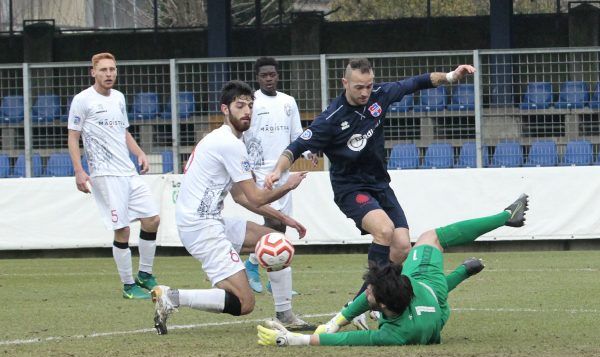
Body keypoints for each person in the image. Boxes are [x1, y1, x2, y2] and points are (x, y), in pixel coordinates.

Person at [266, 58, 477, 297]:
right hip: (350, 188)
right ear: (345, 83)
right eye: (359, 87)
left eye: (369, 85)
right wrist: (277, 170)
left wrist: (451, 76)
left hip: (379, 184)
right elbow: (294, 148)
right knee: (385, 231)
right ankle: (363, 303)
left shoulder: (380, 95)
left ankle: (372, 299)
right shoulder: (331, 119)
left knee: (402, 247)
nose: (365, 92)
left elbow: (417, 82)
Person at [150, 80, 315, 335]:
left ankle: (285, 315)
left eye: (250, 105)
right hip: (200, 226)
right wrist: (288, 185)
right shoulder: (229, 143)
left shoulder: (229, 140)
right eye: (240, 105)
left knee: (274, 239)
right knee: (244, 303)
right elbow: (256, 198)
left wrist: (286, 220)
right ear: (225, 109)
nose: (247, 111)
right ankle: (172, 296)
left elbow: (242, 198)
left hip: (208, 221)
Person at [256, 193, 529, 347]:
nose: (366, 292)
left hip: (432, 299)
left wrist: (293, 339)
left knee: (431, 236)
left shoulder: (394, 336)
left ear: (383, 305)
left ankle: (507, 217)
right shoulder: (406, 299)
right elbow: (439, 289)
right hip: (429, 290)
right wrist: (332, 325)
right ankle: (505, 216)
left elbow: (348, 340)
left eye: (371, 292)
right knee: (430, 238)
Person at [67, 52, 160, 300]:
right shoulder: (82, 100)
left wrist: (139, 153)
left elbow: (123, 131)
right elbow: (73, 137)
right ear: (93, 72)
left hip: (127, 171)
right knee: (123, 230)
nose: (109, 74)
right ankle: (128, 285)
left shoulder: (118, 98)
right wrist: (79, 170)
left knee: (152, 219)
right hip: (105, 174)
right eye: (104, 70)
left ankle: (145, 274)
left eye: (112, 69)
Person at [243, 56, 317, 294]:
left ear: (277, 75)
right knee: (272, 222)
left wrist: (308, 151)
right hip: (260, 169)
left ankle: (263, 273)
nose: (268, 79)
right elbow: (244, 137)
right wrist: (249, 170)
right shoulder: (251, 103)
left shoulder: (288, 102)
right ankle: (253, 267)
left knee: (280, 226)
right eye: (264, 75)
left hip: (284, 168)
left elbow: (297, 134)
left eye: (272, 74)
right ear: (257, 77)